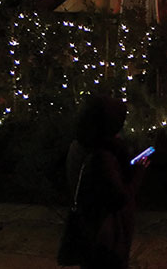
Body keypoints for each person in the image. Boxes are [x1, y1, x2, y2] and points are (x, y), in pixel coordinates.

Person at [61, 94, 149, 269]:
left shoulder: (80, 145)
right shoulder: (103, 156)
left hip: (90, 229)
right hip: (105, 237)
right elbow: (120, 197)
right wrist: (139, 172)